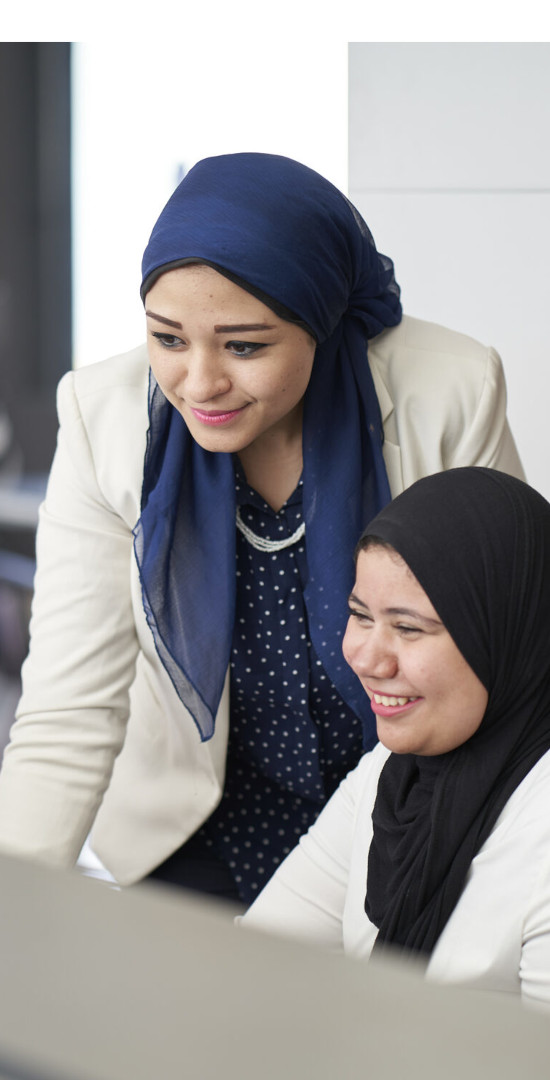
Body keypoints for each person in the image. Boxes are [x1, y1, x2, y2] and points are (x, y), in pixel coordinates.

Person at [0, 154, 525, 904]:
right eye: (168, 338)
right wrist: (12, 916)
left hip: (409, 807)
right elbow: (67, 710)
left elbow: (503, 655)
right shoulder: (103, 414)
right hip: (199, 823)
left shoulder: (451, 390)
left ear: (318, 319)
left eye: (244, 346)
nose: (200, 382)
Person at [242, 468, 550, 1007]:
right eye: (360, 615)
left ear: (506, 634)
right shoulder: (390, 773)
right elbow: (247, 965)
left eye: (408, 628)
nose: (364, 657)